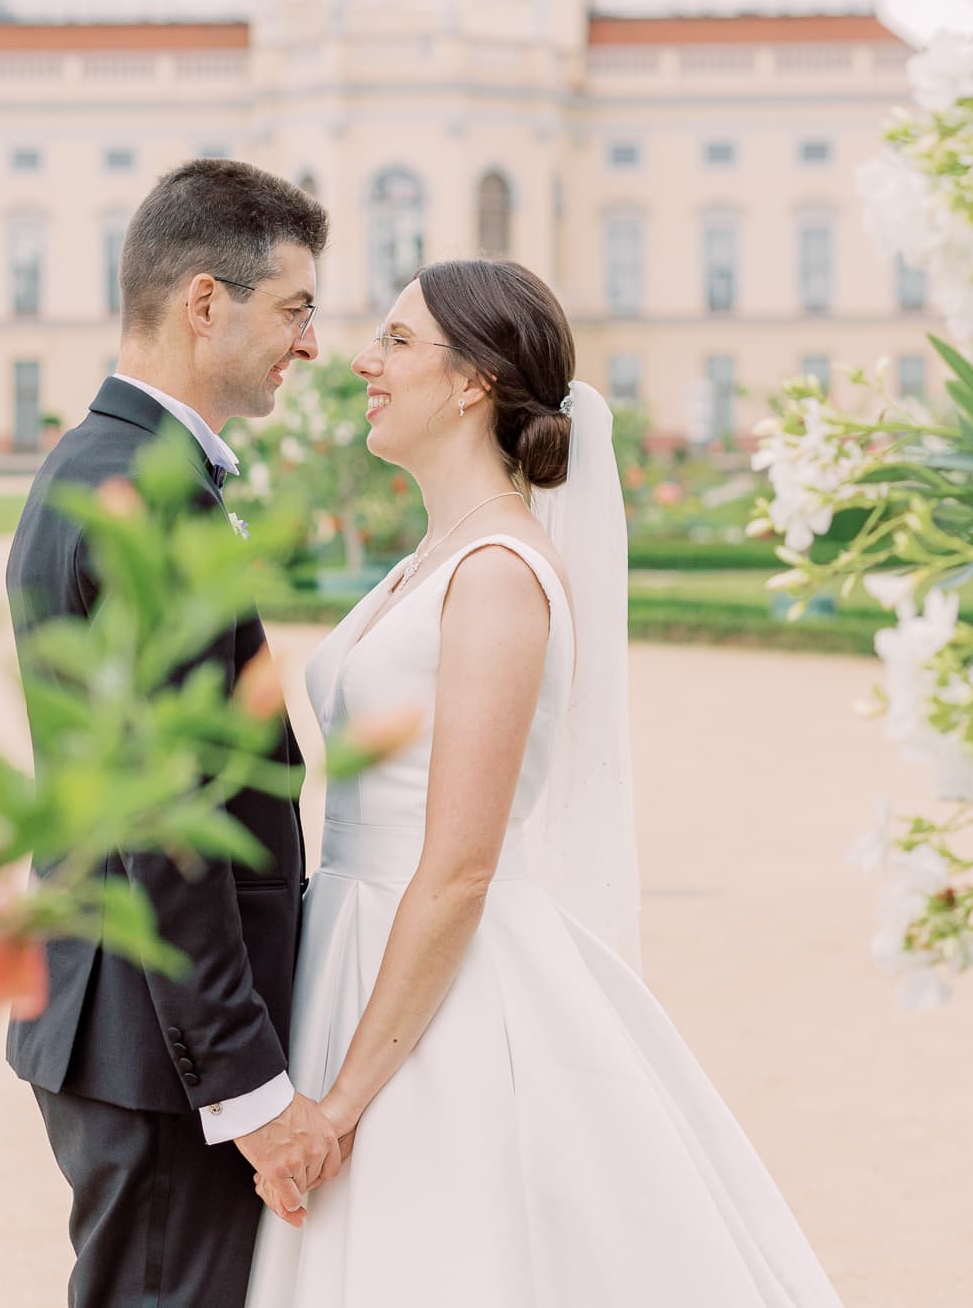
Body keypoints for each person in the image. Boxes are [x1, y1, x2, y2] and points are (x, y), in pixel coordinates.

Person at [245, 257, 845, 1308]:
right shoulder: (431, 559)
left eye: (394, 341)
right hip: (347, 948)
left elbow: (463, 865)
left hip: (435, 977)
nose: (360, 362)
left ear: (474, 379)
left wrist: (339, 1106)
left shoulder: (496, 578)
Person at [5, 158, 341, 1308]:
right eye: (296, 309)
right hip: (157, 1045)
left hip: (121, 1023)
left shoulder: (96, 462)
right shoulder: (147, 491)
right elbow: (174, 831)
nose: (310, 344)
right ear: (208, 302)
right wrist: (248, 1095)